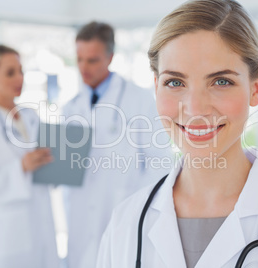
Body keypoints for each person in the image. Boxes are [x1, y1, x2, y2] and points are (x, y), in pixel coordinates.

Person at [96, 1, 258, 267]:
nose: (195, 108)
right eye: (175, 82)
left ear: (256, 87)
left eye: (221, 81)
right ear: (157, 88)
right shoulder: (126, 224)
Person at [61, 22, 173, 268]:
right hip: (80, 216)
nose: (83, 67)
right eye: (79, 59)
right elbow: (67, 171)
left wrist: (133, 202)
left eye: (92, 60)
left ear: (110, 57)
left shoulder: (139, 100)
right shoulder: (70, 107)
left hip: (124, 209)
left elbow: (160, 161)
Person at [0, 45, 59, 268]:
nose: (19, 78)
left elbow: (42, 162)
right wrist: (21, 167)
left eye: (21, 71)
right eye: (10, 72)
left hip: (41, 223)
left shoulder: (30, 115)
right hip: (10, 235)